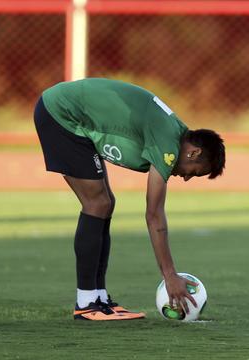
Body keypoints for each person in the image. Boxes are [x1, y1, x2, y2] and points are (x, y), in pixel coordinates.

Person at [33, 78, 226, 320]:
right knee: (97, 203)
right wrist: (170, 276)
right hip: (61, 113)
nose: (186, 178)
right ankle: (86, 302)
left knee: (105, 203)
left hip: (68, 110)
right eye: (194, 171)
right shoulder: (168, 141)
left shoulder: (173, 133)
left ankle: (99, 298)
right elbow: (154, 214)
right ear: (193, 152)